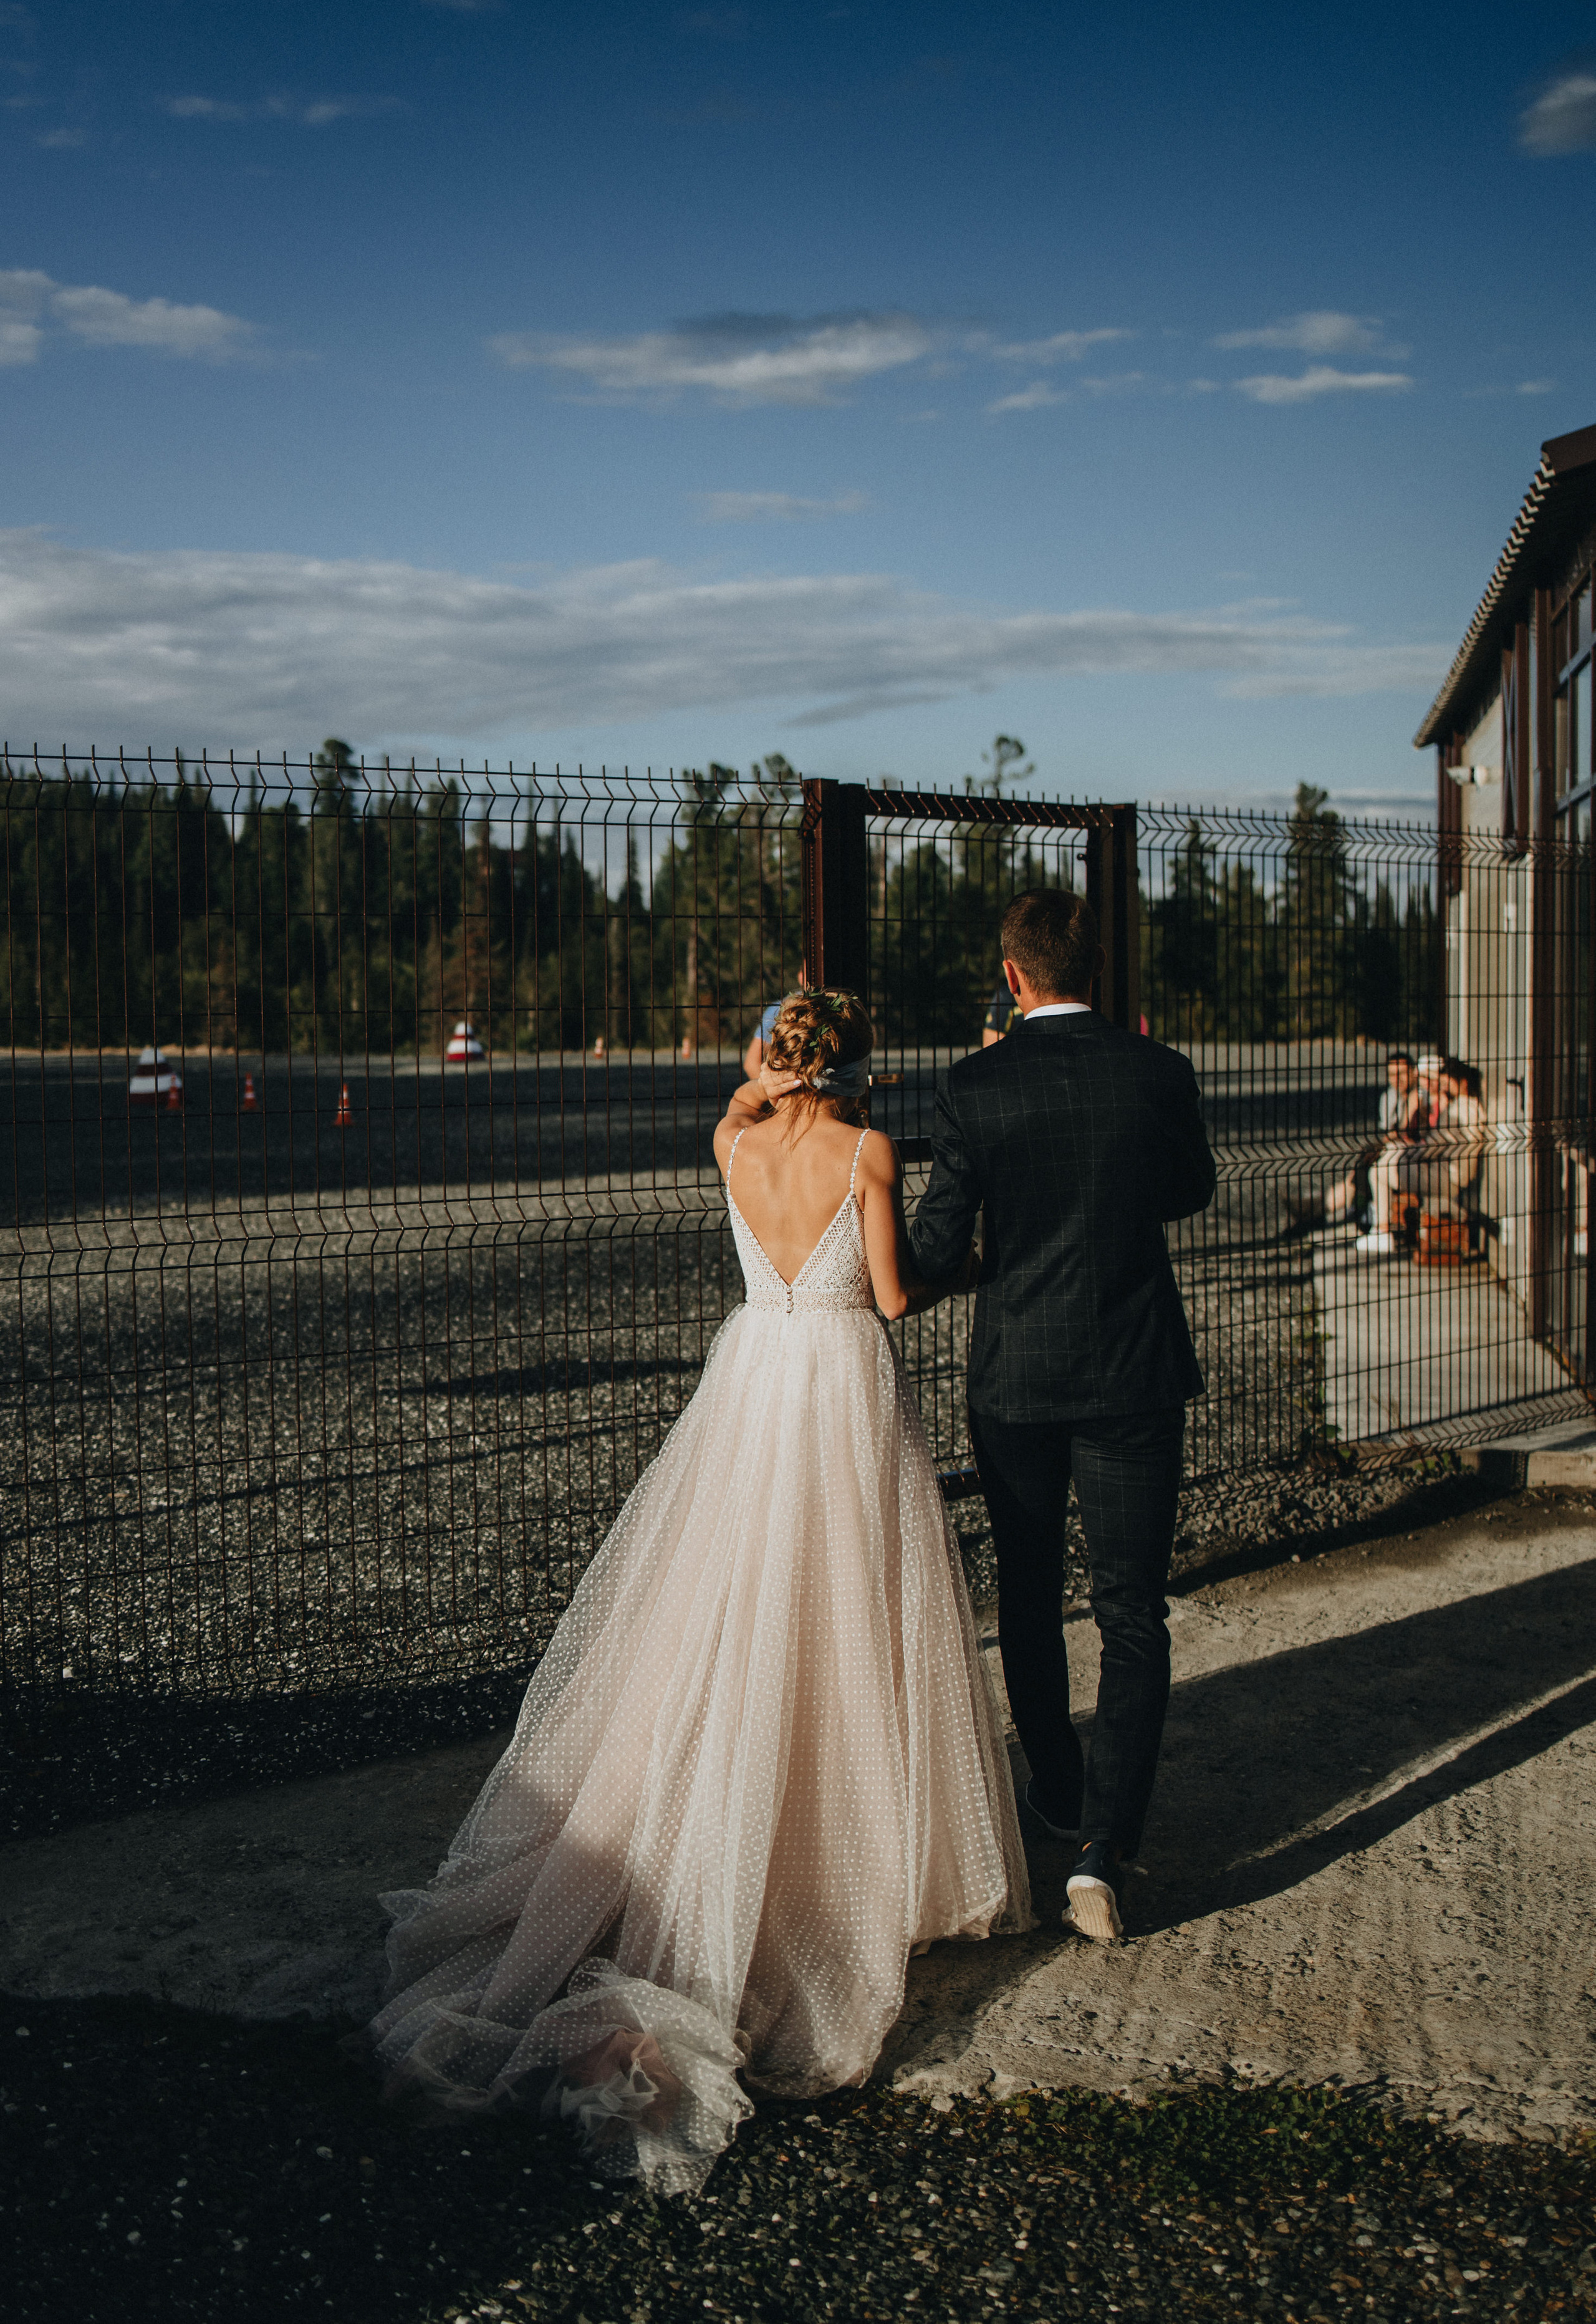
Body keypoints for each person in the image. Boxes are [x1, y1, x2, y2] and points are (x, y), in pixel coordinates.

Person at [360, 989, 1030, 2195]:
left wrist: (757, 1090)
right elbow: (890, 1296)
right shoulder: (869, 1152)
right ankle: (837, 1855)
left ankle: (733, 1813)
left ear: (775, 1060)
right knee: (846, 1618)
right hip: (839, 1383)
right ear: (855, 1066)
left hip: (756, 1375)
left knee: (724, 1606)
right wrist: (979, 1255)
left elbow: (738, 1103)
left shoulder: (731, 1144)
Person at [910, 888, 1216, 1946]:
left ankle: (1055, 1784)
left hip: (1019, 1379)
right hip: (1135, 1370)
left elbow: (936, 1248)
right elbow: (1189, 1190)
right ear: (1097, 968)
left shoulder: (975, 1086)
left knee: (1031, 1594)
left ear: (1012, 976)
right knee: (1133, 1610)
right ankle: (1104, 1848)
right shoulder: (1159, 1071)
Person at [1355, 1056, 1488, 1255]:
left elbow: (1435, 1144)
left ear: (1463, 1083)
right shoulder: (1465, 1106)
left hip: (1447, 1177)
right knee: (1389, 1159)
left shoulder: (1461, 1109)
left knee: (1379, 1171)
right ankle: (1379, 1228)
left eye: (1448, 1083)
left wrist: (1409, 1152)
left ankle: (1381, 1231)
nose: (1445, 1087)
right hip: (1447, 1171)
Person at [1286, 1051, 1423, 1233]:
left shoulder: (1419, 1096)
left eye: (1402, 1073)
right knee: (1361, 1168)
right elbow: (1390, 1133)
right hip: (1393, 1151)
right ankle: (1317, 1209)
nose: (1397, 1079)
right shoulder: (1389, 1097)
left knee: (1361, 1171)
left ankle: (1317, 1209)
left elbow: (1404, 1132)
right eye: (1392, 1075)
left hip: (1408, 1156)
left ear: (1414, 1072)